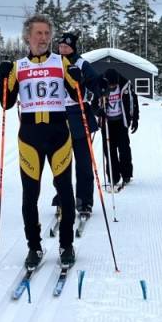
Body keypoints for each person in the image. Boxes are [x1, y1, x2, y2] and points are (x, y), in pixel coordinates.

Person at [0, 14, 81, 269]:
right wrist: (3, 78)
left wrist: (78, 78)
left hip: (58, 135)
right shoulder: (18, 67)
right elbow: (6, 103)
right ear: (27, 36)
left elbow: (78, 94)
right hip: (30, 137)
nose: (43, 38)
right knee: (29, 196)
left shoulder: (62, 63)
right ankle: (33, 246)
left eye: (47, 33)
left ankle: (66, 245)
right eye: (39, 33)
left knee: (66, 193)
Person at [57, 32, 102, 216]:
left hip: (78, 113)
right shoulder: (53, 62)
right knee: (60, 162)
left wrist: (100, 90)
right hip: (58, 115)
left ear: (73, 47)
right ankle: (62, 198)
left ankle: (84, 200)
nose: (63, 49)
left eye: (67, 47)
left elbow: (95, 83)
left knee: (83, 162)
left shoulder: (82, 63)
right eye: (61, 46)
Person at [101, 68, 138, 190]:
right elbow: (94, 104)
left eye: (114, 84)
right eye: (110, 85)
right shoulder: (100, 86)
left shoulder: (125, 85)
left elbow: (133, 101)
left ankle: (126, 174)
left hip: (121, 122)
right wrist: (98, 111)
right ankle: (113, 176)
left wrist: (135, 119)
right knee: (109, 150)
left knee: (124, 149)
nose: (112, 86)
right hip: (107, 123)